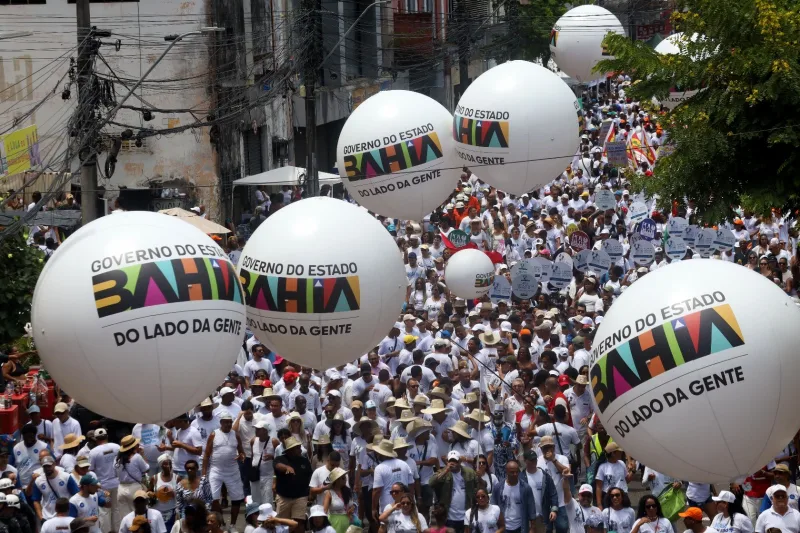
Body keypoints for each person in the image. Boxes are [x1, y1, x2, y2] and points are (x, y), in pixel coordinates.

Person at [202, 412, 245, 525]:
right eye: (226, 422)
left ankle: (232, 525)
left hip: (232, 471)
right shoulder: (214, 434)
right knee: (213, 499)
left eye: (230, 422)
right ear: (220, 423)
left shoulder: (235, 434)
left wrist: (242, 456)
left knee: (236, 499)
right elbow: (206, 455)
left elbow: (241, 452)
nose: (228, 424)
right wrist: (203, 473)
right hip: (216, 470)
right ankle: (221, 523)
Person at [430, 451, 478, 533]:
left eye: (455, 461)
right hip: (449, 517)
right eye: (450, 461)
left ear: (460, 461)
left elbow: (479, 487)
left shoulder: (469, 472)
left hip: (466, 515)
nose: (453, 463)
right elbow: (431, 483)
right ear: (447, 462)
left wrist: (479, 477)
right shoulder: (443, 472)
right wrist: (446, 470)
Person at [273, 437, 312, 533]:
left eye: (299, 447)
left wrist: (310, 493)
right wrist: (286, 467)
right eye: (297, 448)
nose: (300, 450)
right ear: (290, 450)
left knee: (299, 523)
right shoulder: (280, 459)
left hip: (301, 496)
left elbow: (309, 477)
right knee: (283, 524)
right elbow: (277, 465)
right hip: (284, 497)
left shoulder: (304, 461)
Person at [490, 460, 537, 533]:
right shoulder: (498, 488)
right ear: (506, 472)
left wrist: (533, 528)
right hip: (504, 528)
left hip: (520, 527)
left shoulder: (525, 488)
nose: (515, 474)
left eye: (517, 472)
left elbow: (531, 508)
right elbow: (493, 506)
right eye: (512, 472)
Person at [31, 455, 79, 522]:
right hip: (48, 518)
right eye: (45, 467)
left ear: (54, 464)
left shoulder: (66, 477)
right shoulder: (38, 481)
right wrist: (41, 517)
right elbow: (36, 501)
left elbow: (76, 496)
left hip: (65, 516)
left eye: (49, 466)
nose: (47, 469)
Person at [116, 435, 149, 524]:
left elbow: (115, 473)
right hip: (134, 488)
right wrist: (142, 455)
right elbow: (146, 469)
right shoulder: (137, 457)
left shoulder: (117, 459)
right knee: (140, 516)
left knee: (125, 518)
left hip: (121, 488)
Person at [150, 455, 178, 533]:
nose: (168, 466)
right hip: (157, 511)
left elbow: (181, 495)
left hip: (171, 512)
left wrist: (173, 493)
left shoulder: (176, 478)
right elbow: (149, 492)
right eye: (165, 464)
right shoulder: (155, 478)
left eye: (170, 463)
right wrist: (154, 494)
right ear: (161, 465)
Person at [323, 467, 353, 533]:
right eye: (343, 478)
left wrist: (351, 510)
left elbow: (352, 505)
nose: (345, 479)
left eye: (345, 477)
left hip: (348, 521)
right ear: (336, 480)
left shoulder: (347, 491)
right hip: (334, 522)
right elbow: (324, 511)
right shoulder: (329, 493)